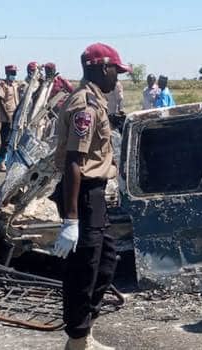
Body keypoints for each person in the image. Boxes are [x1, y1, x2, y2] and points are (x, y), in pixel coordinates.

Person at [53, 42, 131, 350]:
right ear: (102, 68)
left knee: (105, 262)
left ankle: (84, 334)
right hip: (82, 194)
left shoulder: (96, 101)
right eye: (116, 70)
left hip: (93, 195)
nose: (118, 77)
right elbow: (74, 161)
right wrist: (70, 220)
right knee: (83, 270)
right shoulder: (85, 105)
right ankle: (77, 340)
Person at [0, 65, 20, 172]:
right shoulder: (3, 85)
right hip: (7, 118)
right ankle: (1, 162)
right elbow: (1, 101)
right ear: (7, 73)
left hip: (16, 116)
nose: (14, 75)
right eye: (12, 73)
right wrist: (7, 116)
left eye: (15, 73)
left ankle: (11, 161)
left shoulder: (15, 85)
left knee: (15, 140)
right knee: (5, 141)